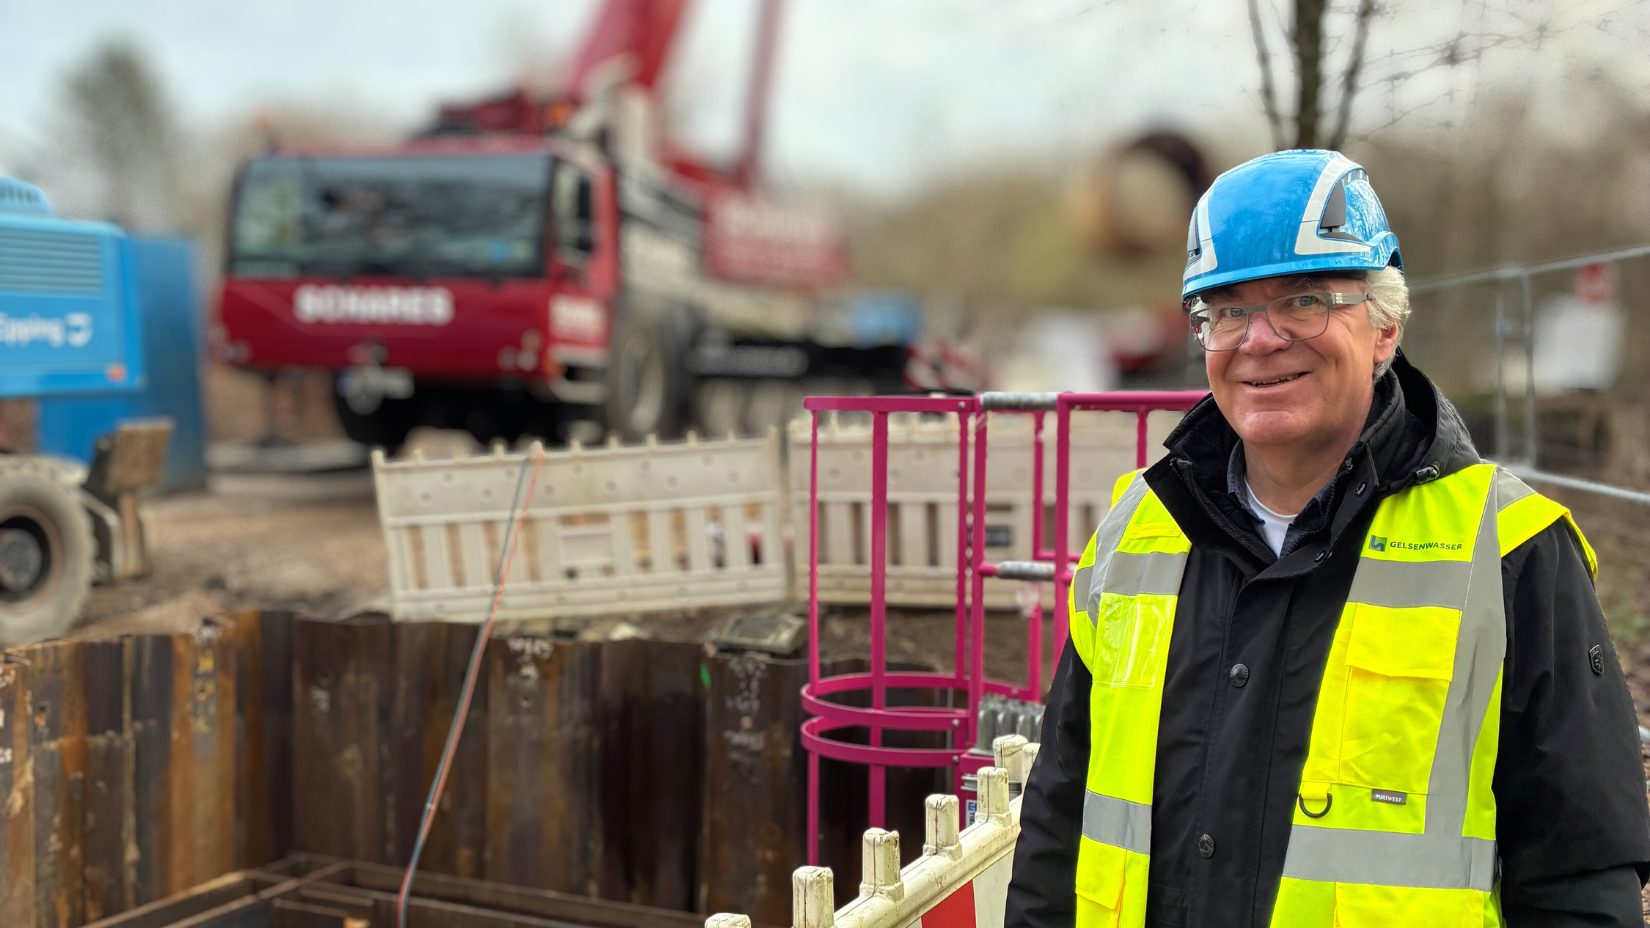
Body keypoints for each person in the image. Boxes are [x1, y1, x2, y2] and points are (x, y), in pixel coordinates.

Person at [1005, 149, 1650, 927]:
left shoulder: (1511, 552)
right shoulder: (1136, 531)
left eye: (1304, 300)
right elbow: (1057, 821)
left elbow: (1579, 879)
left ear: (1384, 328)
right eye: (1226, 309)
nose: (1259, 339)